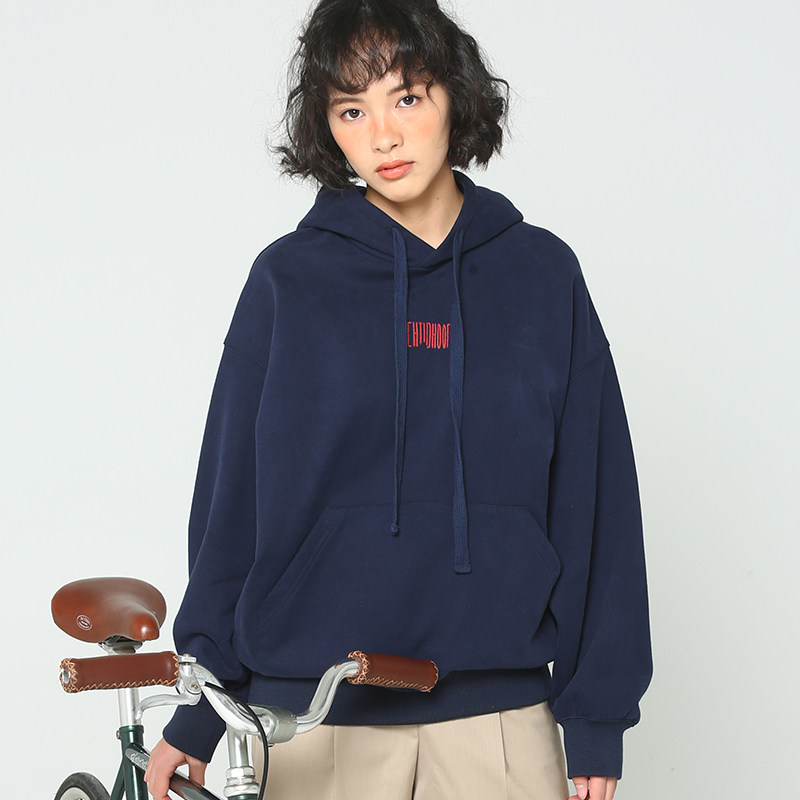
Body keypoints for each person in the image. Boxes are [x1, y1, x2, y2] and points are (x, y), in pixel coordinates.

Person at [144, 0, 652, 798]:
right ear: (328, 127)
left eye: (406, 97)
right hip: (313, 722)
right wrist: (203, 707)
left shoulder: (543, 276)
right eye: (352, 109)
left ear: (454, 95)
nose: (382, 135)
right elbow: (230, 505)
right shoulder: (288, 283)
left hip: (500, 723)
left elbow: (597, 503)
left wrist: (596, 718)